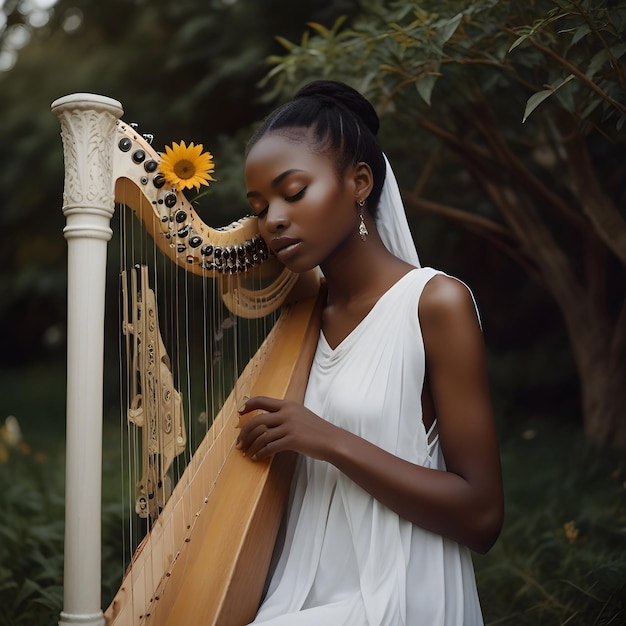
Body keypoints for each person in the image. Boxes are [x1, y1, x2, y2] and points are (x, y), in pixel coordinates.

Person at [236, 79, 504, 625]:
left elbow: (482, 517)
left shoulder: (435, 303)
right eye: (260, 206)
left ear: (359, 182)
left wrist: (327, 439)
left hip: (398, 590)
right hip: (308, 591)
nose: (274, 220)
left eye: (294, 191)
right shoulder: (302, 319)